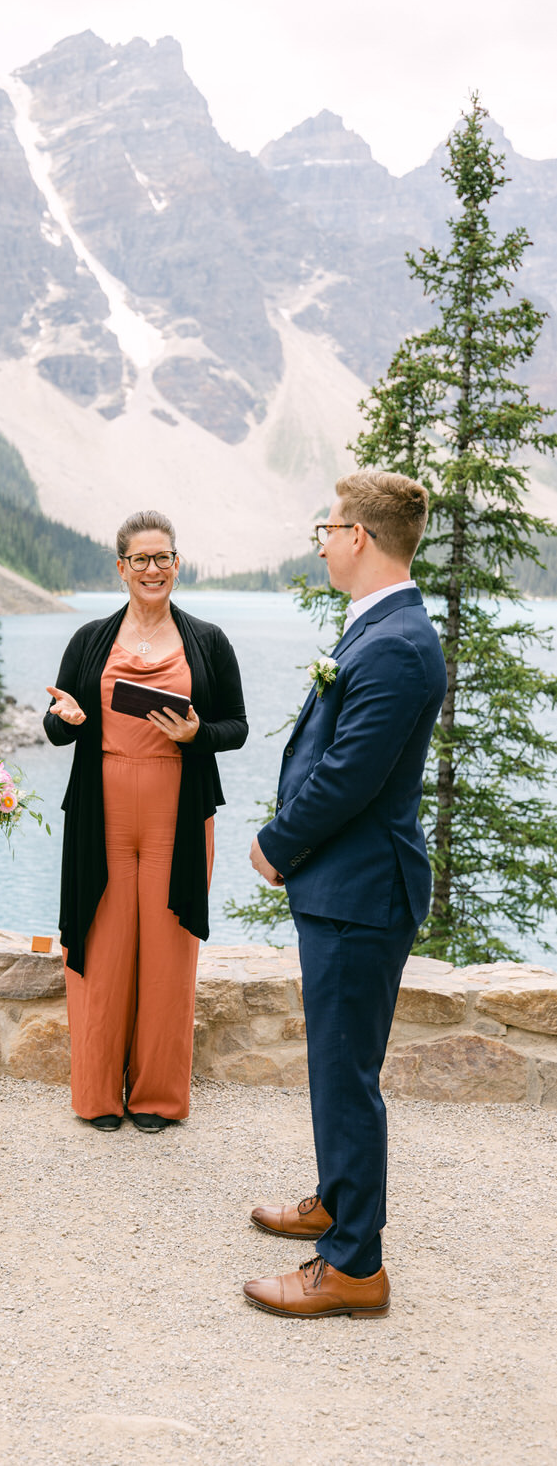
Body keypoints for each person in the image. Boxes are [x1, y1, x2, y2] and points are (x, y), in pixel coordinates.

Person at [244, 471, 446, 1319]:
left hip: (362, 889)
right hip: (347, 885)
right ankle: (335, 1197)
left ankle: (353, 1263)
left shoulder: (397, 643)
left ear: (358, 535)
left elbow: (351, 775)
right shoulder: (381, 627)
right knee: (335, 1062)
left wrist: (276, 841)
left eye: (327, 527)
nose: (320, 540)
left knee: (345, 1071)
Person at [44, 510, 247, 1133]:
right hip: (100, 815)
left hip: (175, 818)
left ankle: (158, 1097)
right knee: (100, 953)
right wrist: (68, 721)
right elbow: (55, 724)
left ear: (176, 564)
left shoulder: (208, 640)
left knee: (167, 955)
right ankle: (98, 1096)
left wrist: (196, 733)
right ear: (121, 567)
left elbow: (234, 728)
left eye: (164, 558)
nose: (153, 569)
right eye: (141, 560)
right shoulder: (89, 640)